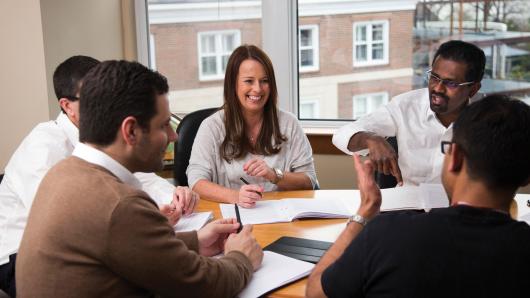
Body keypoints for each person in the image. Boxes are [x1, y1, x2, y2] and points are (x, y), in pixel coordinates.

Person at [16, 60, 263, 297]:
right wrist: (241, 257)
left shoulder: (64, 172)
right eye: (164, 125)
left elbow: (123, 246)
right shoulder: (120, 204)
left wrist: (195, 241)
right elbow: (203, 285)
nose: (174, 136)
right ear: (131, 131)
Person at [0, 56, 197, 297]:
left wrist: (173, 195)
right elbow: (72, 224)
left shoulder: (102, 138)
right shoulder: (43, 146)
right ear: (67, 105)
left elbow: (137, 177)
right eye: (93, 97)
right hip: (20, 258)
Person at [306, 95, 530, 298]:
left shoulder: (387, 236)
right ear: (526, 178)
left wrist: (364, 212)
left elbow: (315, 292)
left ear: (456, 158)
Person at [332, 40, 485, 186]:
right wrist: (371, 139)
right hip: (406, 206)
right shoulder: (406, 106)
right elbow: (341, 135)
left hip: (457, 209)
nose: (438, 88)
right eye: (434, 77)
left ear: (473, 89)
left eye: (451, 83)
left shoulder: (487, 121)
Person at [187, 44, 318, 208]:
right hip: (230, 220)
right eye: (249, 81)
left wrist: (274, 175)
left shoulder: (289, 124)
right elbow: (196, 181)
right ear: (233, 85)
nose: (257, 89)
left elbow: (309, 181)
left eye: (264, 81)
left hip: (282, 217)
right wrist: (236, 196)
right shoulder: (211, 127)